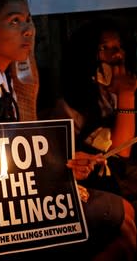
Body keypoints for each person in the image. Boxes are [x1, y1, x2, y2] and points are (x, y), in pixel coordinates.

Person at [0, 0, 136, 260]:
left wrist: (66, 164)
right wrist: (54, 173)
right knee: (119, 214)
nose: (28, 30)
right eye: (14, 21)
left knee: (125, 214)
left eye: (29, 20)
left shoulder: (5, 78)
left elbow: (21, 150)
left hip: (11, 196)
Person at [50, 18, 137, 203]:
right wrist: (126, 96)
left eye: (119, 46)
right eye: (105, 48)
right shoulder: (72, 104)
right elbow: (122, 152)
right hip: (104, 186)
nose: (117, 54)